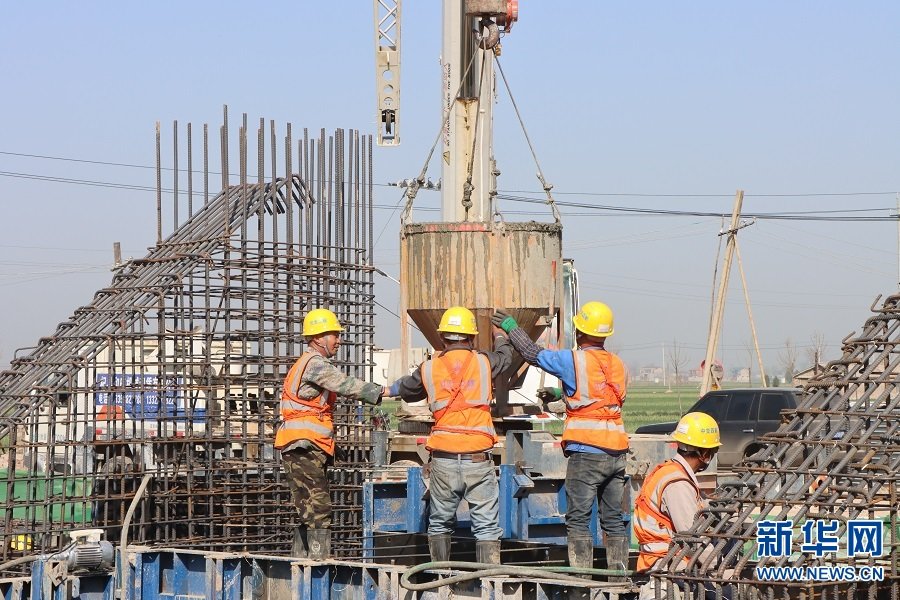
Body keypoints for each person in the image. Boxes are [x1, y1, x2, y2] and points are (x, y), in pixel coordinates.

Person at [492, 302, 629, 578]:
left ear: (580, 331)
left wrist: (511, 328)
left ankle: (583, 581)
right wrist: (562, 394)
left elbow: (533, 354)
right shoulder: (617, 364)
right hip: (616, 453)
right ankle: (618, 578)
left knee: (578, 520)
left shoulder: (574, 361)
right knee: (613, 520)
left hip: (587, 452)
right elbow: (602, 400)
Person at [387, 306, 513, 565]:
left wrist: (382, 391)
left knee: (440, 524)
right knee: (487, 527)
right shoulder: (483, 362)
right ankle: (488, 580)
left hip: (443, 458)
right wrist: (500, 335)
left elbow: (407, 389)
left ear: (442, 337)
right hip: (477, 457)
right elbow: (505, 357)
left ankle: (440, 582)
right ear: (472, 338)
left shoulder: (430, 368)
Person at [275, 308, 386, 559]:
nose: (339, 340)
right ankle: (318, 564)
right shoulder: (315, 364)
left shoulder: (306, 362)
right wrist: (382, 391)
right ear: (317, 338)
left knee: (307, 508)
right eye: (334, 335)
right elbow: (345, 384)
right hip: (304, 444)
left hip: (299, 445)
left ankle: (302, 561)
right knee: (318, 507)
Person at [633, 412, 727, 599]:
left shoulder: (672, 472)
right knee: (727, 594)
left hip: (669, 561)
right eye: (712, 452)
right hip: (668, 565)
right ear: (705, 454)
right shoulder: (677, 483)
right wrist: (719, 564)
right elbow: (691, 536)